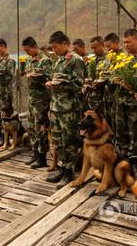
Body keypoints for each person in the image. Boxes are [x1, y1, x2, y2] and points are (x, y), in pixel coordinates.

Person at [46, 31, 85, 189]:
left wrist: (62, 82)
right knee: (58, 141)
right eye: (52, 48)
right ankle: (62, 168)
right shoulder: (59, 60)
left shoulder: (76, 60)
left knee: (70, 141)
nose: (54, 50)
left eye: (55, 47)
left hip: (69, 109)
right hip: (56, 107)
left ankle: (69, 172)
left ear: (64, 43)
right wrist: (51, 84)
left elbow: (79, 84)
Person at [113, 29, 137, 173]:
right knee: (121, 132)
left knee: (135, 132)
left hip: (135, 105)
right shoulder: (123, 59)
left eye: (129, 42)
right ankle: (122, 159)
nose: (126, 45)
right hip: (120, 103)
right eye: (124, 42)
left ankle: (133, 161)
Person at [21, 37, 52, 169]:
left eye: (28, 50)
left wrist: (39, 76)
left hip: (41, 100)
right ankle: (35, 152)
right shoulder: (28, 60)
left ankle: (42, 156)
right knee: (32, 128)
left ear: (34, 46)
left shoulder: (45, 61)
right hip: (32, 100)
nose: (27, 53)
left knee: (41, 129)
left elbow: (51, 78)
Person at [0, 38, 16, 147]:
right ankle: (2, 137)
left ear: (3, 46)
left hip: (5, 93)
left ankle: (7, 138)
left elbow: (10, 77)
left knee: (5, 115)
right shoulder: (0, 60)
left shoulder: (10, 61)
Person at [103, 32, 123, 133]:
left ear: (116, 43)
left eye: (109, 46)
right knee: (110, 123)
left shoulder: (123, 57)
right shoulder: (108, 57)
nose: (107, 48)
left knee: (119, 126)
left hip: (119, 97)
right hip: (108, 96)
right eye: (106, 46)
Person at [84, 36, 108, 111]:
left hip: (102, 100)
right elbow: (87, 75)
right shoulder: (92, 60)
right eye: (92, 48)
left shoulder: (108, 60)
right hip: (90, 98)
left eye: (95, 47)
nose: (93, 50)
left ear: (102, 45)